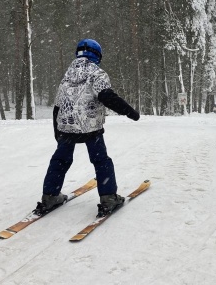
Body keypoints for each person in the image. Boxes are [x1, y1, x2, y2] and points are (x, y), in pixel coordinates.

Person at [38, 39, 140, 218]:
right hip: (90, 128)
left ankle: (50, 196)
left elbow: (57, 107)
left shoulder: (67, 75)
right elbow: (107, 97)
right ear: (97, 54)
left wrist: (58, 133)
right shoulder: (97, 73)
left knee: (60, 160)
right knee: (101, 161)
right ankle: (108, 198)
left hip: (66, 127)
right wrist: (131, 113)